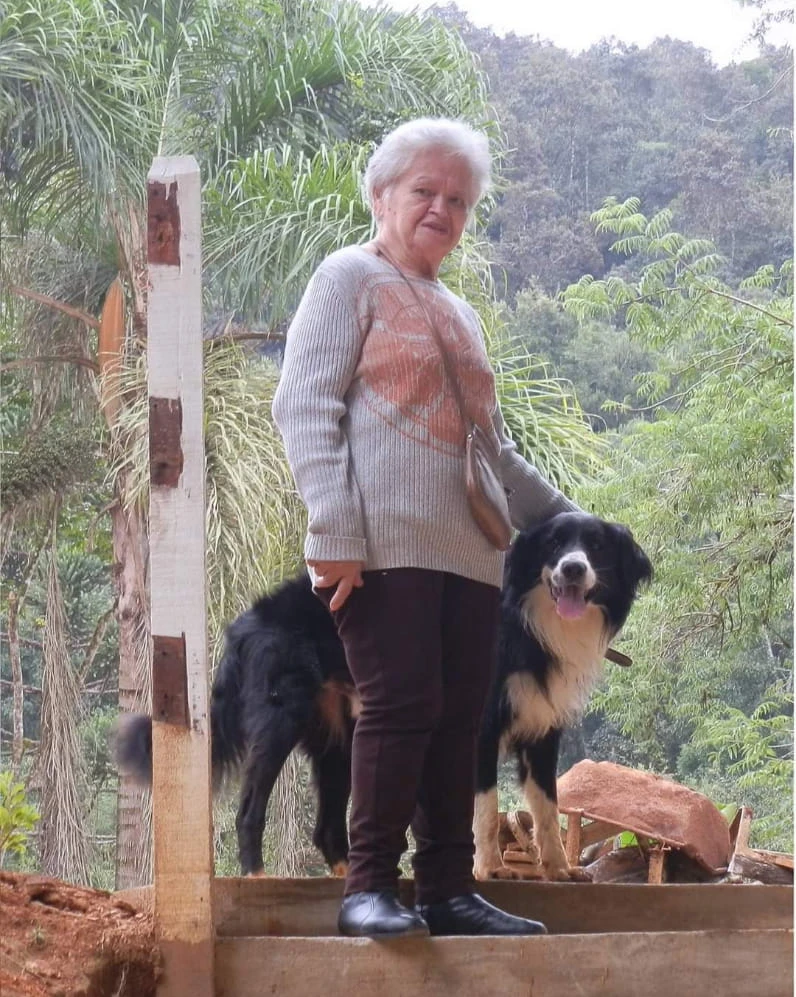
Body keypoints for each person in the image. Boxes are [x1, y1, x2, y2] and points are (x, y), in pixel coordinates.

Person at [272, 117, 577, 938]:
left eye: (458, 199)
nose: (442, 208)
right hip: (382, 547)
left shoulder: (459, 312)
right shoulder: (348, 278)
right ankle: (368, 887)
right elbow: (303, 405)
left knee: (459, 716)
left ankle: (447, 890)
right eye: (424, 191)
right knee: (400, 703)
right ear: (381, 194)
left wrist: (566, 516)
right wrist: (334, 531)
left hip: (473, 555)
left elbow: (493, 448)